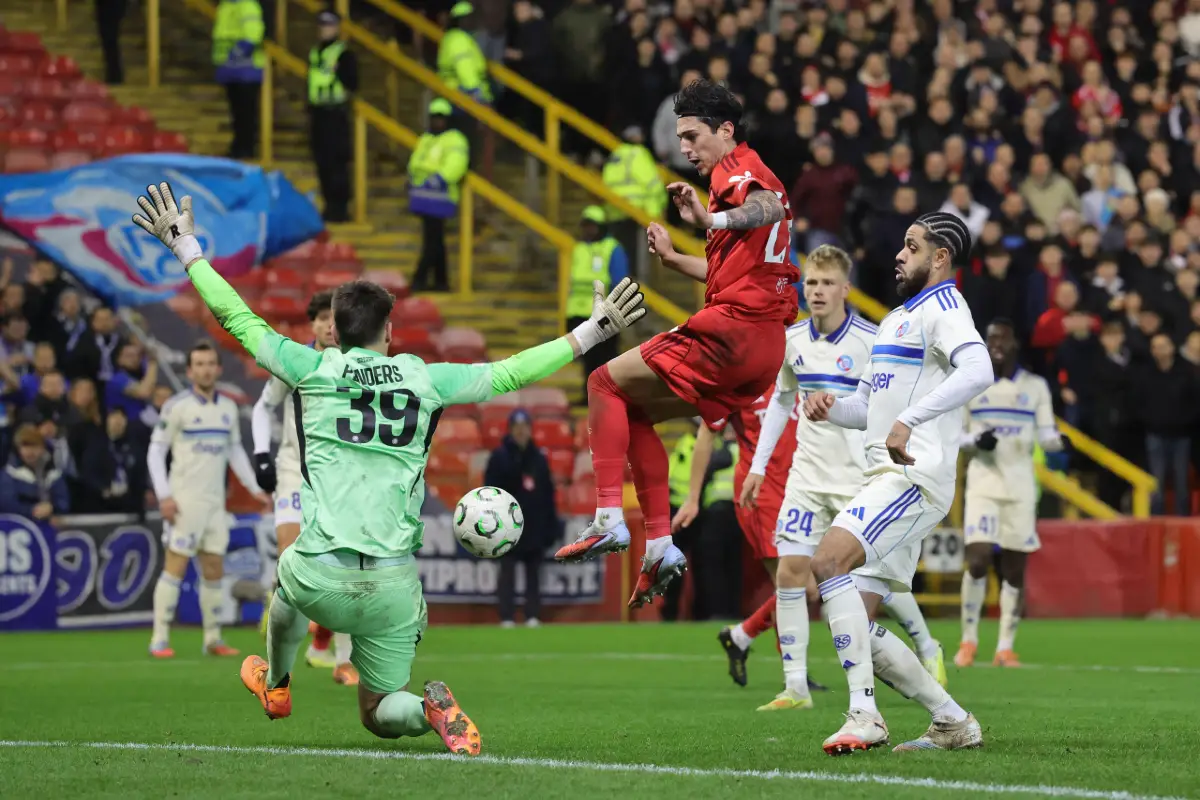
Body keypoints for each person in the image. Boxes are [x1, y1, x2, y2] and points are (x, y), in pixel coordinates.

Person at [131, 180, 644, 753]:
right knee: (378, 712)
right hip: (395, 584)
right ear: (388, 332)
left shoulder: (313, 369)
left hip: (320, 568)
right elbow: (510, 373)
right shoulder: (426, 378)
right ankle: (427, 709)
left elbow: (237, 318)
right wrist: (589, 332)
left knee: (286, 592)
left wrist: (187, 250)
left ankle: (276, 684)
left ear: (336, 330)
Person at [554, 80, 800, 611]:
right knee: (631, 411)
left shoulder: (738, 169)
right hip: (761, 348)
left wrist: (710, 219)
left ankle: (608, 520)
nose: (684, 147)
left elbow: (766, 208)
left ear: (725, 130)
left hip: (733, 332)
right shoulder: (727, 176)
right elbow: (733, 265)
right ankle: (661, 546)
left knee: (601, 382)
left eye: (692, 135)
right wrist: (673, 258)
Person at [802, 212, 991, 754]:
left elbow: (978, 370)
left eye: (911, 246)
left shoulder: (946, 306)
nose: (898, 256)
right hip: (890, 472)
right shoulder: (896, 319)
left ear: (940, 258)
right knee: (856, 620)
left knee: (827, 563)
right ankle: (952, 722)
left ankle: (865, 716)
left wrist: (912, 420)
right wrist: (830, 407)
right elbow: (867, 407)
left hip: (910, 476)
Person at [736, 246, 947, 711]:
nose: (817, 292)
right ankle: (795, 687)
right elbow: (781, 402)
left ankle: (922, 650)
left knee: (867, 587)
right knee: (791, 572)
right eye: (811, 283)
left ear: (845, 289)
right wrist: (756, 468)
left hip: (859, 478)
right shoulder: (791, 341)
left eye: (827, 283)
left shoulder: (872, 340)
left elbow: (886, 404)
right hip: (806, 478)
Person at [251, 290, 357, 684]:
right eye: (322, 320)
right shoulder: (297, 362)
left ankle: (342, 658)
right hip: (294, 471)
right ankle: (282, 664)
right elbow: (263, 406)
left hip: (336, 477)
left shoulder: (353, 364)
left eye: (336, 320)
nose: (330, 327)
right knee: (292, 561)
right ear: (311, 324)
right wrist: (261, 454)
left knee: (345, 561)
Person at [146, 341, 268, 659]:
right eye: (199, 364)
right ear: (189, 371)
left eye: (210, 363)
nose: (205, 369)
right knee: (175, 565)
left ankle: (212, 639)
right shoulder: (176, 407)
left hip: (216, 504)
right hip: (184, 502)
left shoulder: (227, 408)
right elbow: (155, 452)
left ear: (218, 368)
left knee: (213, 568)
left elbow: (235, 451)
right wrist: (165, 496)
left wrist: (254, 486)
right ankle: (159, 638)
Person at [956, 318, 1064, 670]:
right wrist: (975, 441)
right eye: (991, 339)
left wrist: (1061, 444)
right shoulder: (970, 384)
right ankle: (968, 641)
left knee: (1015, 570)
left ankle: (1005, 647)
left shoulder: (1035, 387)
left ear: (1015, 343)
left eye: (1002, 338)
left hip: (1019, 486)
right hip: (984, 483)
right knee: (977, 559)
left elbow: (1047, 434)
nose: (996, 344)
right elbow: (956, 436)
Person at [484, 409, 558, 627]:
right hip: (507, 524)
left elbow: (547, 493)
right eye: (517, 428)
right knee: (506, 572)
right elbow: (489, 492)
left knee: (534, 573)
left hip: (534, 524)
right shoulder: (499, 457)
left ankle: (532, 615)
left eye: (524, 427)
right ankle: (506, 616)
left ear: (530, 430)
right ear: (510, 430)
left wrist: (551, 526)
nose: (521, 432)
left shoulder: (539, 458)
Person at [565, 206, 629, 398]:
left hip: (604, 316)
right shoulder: (578, 249)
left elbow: (620, 282)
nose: (588, 229)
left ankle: (608, 398)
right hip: (579, 313)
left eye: (592, 225)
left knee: (605, 360)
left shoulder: (612, 248)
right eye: (585, 225)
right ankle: (589, 398)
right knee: (587, 361)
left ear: (601, 226)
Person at [408, 99, 470, 292]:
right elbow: (415, 162)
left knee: (432, 241)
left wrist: (440, 178)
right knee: (435, 240)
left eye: (441, 118)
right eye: (434, 117)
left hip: (440, 196)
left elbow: (456, 163)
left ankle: (419, 279)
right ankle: (441, 282)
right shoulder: (426, 138)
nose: (437, 122)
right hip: (422, 196)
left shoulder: (455, 139)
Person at [308, 10, 359, 223]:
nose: (325, 29)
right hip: (318, 113)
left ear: (337, 28)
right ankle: (329, 205)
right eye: (322, 25)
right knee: (323, 163)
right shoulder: (315, 52)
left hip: (336, 114)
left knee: (337, 163)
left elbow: (353, 83)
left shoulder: (343, 53)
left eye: (329, 25)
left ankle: (340, 208)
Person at [602, 126, 668, 276]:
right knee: (637, 267)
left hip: (614, 213)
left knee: (619, 262)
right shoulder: (638, 153)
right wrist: (654, 215)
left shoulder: (615, 155)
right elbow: (653, 185)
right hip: (637, 215)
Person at [213, 0, 265, 160]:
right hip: (230, 70)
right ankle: (239, 147)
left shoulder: (248, 5)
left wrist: (236, 53)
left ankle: (246, 148)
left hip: (246, 69)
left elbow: (253, 35)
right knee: (237, 113)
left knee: (246, 113)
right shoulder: (224, 7)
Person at [0, 423, 69, 519]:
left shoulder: (53, 474)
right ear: (18, 449)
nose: (30, 451)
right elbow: (6, 504)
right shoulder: (9, 474)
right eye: (25, 446)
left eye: (34, 445)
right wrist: (32, 510)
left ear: (42, 447)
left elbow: (64, 502)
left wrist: (51, 507)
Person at [438, 2, 492, 105]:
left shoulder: (457, 37)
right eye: (470, 18)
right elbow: (464, 67)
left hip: (459, 92)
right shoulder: (458, 39)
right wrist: (475, 92)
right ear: (461, 20)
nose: (474, 21)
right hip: (463, 95)